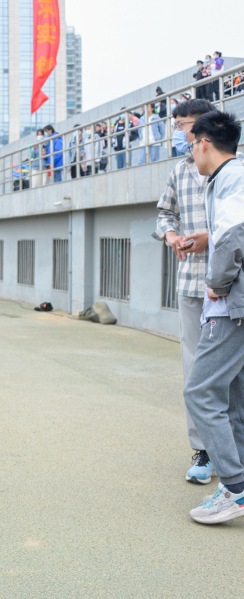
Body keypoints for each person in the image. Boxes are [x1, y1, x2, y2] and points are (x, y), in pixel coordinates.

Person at [183, 110, 244, 524]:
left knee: (201, 391)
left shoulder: (231, 178)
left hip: (232, 304)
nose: (191, 153)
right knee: (234, 395)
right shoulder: (232, 176)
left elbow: (232, 235)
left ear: (204, 143)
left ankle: (236, 489)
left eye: (191, 145)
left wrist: (217, 283)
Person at [154, 99, 219, 483]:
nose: (178, 132)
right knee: (194, 371)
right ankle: (204, 450)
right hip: (190, 283)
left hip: (229, 286)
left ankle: (232, 450)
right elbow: (164, 214)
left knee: (230, 372)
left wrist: (209, 237)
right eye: (175, 125)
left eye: (183, 125)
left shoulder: (233, 169)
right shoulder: (179, 171)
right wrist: (172, 235)